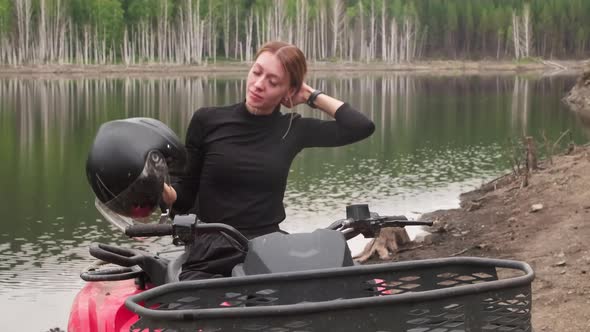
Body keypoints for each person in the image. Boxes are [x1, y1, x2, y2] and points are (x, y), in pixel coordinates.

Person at [161, 41, 375, 280]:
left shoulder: (293, 129)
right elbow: (186, 194)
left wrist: (311, 96)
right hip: (211, 251)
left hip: (269, 250)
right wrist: (163, 194)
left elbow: (361, 127)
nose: (259, 84)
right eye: (256, 72)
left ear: (289, 91)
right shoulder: (207, 121)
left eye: (273, 82)